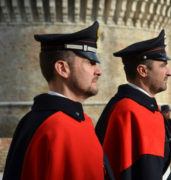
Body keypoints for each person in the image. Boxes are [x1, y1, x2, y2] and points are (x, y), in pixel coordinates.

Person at [3, 21, 114, 180]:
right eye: (90, 63)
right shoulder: (47, 127)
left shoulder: (82, 122)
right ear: (62, 68)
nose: (99, 71)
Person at [96, 30, 171, 180]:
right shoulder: (127, 110)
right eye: (162, 66)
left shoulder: (147, 109)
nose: (169, 73)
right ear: (142, 71)